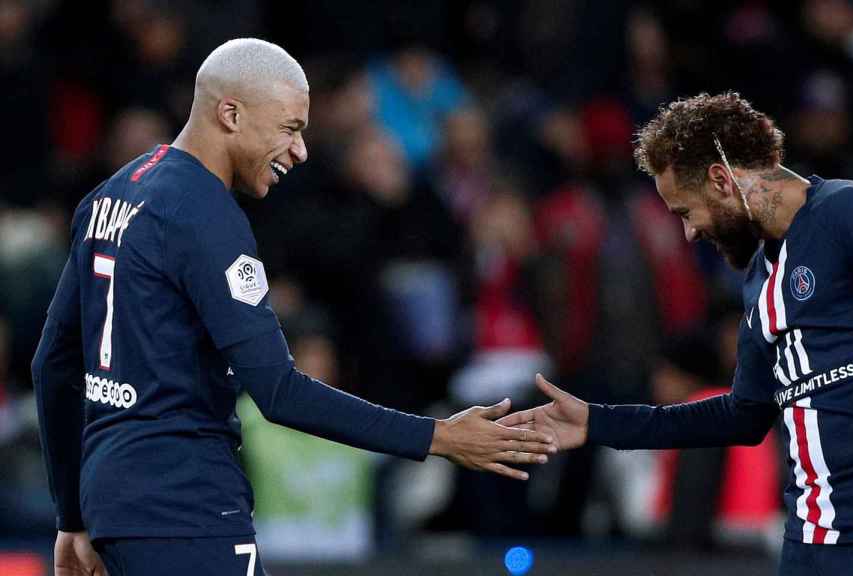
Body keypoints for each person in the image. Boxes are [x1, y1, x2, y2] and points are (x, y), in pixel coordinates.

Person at [31, 38, 555, 576]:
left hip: (111, 506)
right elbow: (279, 391)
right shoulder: (205, 216)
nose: (300, 150)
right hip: (188, 513)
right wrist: (438, 436)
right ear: (230, 114)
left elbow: (53, 364)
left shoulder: (110, 197)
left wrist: (71, 516)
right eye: (289, 128)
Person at [499, 92, 853, 576]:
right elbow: (743, 415)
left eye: (685, 212)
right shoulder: (759, 277)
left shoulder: (850, 211)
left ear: (720, 178)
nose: (690, 233)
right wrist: (596, 423)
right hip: (810, 536)